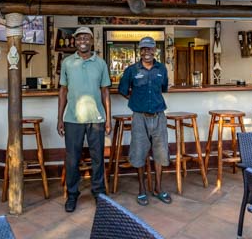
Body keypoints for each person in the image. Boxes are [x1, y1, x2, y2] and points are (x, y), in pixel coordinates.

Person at [57, 26, 111, 213]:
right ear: (75, 41)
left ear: (91, 40)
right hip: (72, 118)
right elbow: (63, 91)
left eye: (86, 38)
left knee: (97, 158)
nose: (82, 41)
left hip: (96, 118)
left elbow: (105, 92)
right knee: (72, 159)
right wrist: (60, 118)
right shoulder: (67, 62)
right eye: (79, 38)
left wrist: (108, 119)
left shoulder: (101, 63)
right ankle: (72, 194)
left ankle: (99, 192)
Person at [118, 36, 172, 206]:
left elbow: (163, 88)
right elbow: (122, 89)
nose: (146, 52)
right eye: (143, 49)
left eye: (149, 49)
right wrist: (136, 100)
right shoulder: (131, 70)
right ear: (139, 51)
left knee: (160, 153)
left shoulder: (161, 69)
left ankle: (158, 188)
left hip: (159, 116)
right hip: (139, 117)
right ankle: (141, 189)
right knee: (139, 152)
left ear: (154, 50)